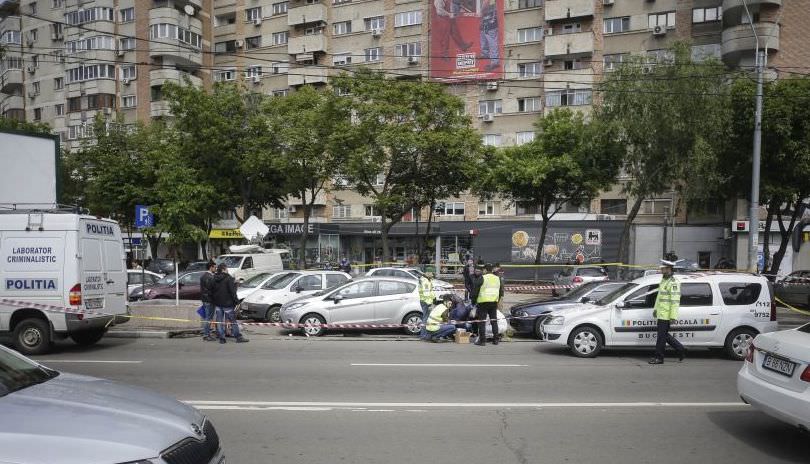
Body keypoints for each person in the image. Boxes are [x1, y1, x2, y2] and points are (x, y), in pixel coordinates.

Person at [649, 260, 685, 364]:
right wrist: (655, 309)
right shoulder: (664, 280)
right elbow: (660, 297)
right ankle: (681, 349)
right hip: (661, 313)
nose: (661, 270)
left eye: (663, 268)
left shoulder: (673, 283)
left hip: (667, 315)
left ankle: (659, 358)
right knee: (664, 335)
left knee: (661, 336)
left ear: (668, 269)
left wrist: (673, 316)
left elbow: (675, 301)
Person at [212, 264, 249, 344]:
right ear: (223, 269)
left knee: (219, 321)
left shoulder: (214, 278)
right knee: (233, 321)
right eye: (226, 269)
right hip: (227, 304)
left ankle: (222, 338)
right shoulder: (229, 278)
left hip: (218, 303)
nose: (228, 270)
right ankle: (238, 337)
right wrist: (237, 302)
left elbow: (212, 291)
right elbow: (232, 292)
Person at [471, 263, 502, 346]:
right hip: (494, 302)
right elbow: (501, 291)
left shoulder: (482, 278)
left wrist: (473, 301)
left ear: (484, 270)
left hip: (483, 302)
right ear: (492, 270)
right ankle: (496, 340)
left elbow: (475, 291)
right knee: (494, 321)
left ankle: (482, 341)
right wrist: (497, 300)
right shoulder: (498, 278)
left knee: (482, 322)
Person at [479, 0, 500, 72]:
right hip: (486, 20)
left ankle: (495, 62)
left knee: (492, 42)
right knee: (483, 36)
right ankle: (485, 53)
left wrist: (481, 13)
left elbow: (485, 3)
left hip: (490, 21)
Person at [200, 260, 217, 342]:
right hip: (210, 300)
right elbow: (211, 289)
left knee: (207, 317)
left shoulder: (203, 276)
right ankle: (206, 335)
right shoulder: (210, 277)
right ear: (211, 267)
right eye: (215, 267)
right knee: (208, 318)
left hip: (205, 299)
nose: (216, 268)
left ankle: (206, 333)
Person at [418, 271, 435, 339]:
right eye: (431, 273)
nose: (432, 274)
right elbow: (426, 294)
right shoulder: (425, 282)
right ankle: (424, 335)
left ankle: (424, 335)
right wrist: (429, 304)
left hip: (424, 301)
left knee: (426, 318)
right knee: (426, 319)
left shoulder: (425, 280)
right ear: (428, 273)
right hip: (426, 302)